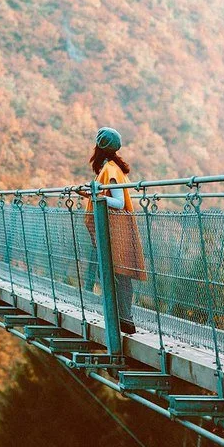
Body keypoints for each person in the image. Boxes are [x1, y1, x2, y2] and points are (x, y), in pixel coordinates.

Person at [76, 127, 146, 334]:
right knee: (113, 274)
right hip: (114, 229)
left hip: (116, 230)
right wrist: (90, 194)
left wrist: (95, 195)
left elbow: (118, 202)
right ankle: (122, 319)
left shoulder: (111, 170)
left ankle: (125, 320)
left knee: (117, 274)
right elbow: (106, 196)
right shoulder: (110, 168)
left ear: (98, 147)